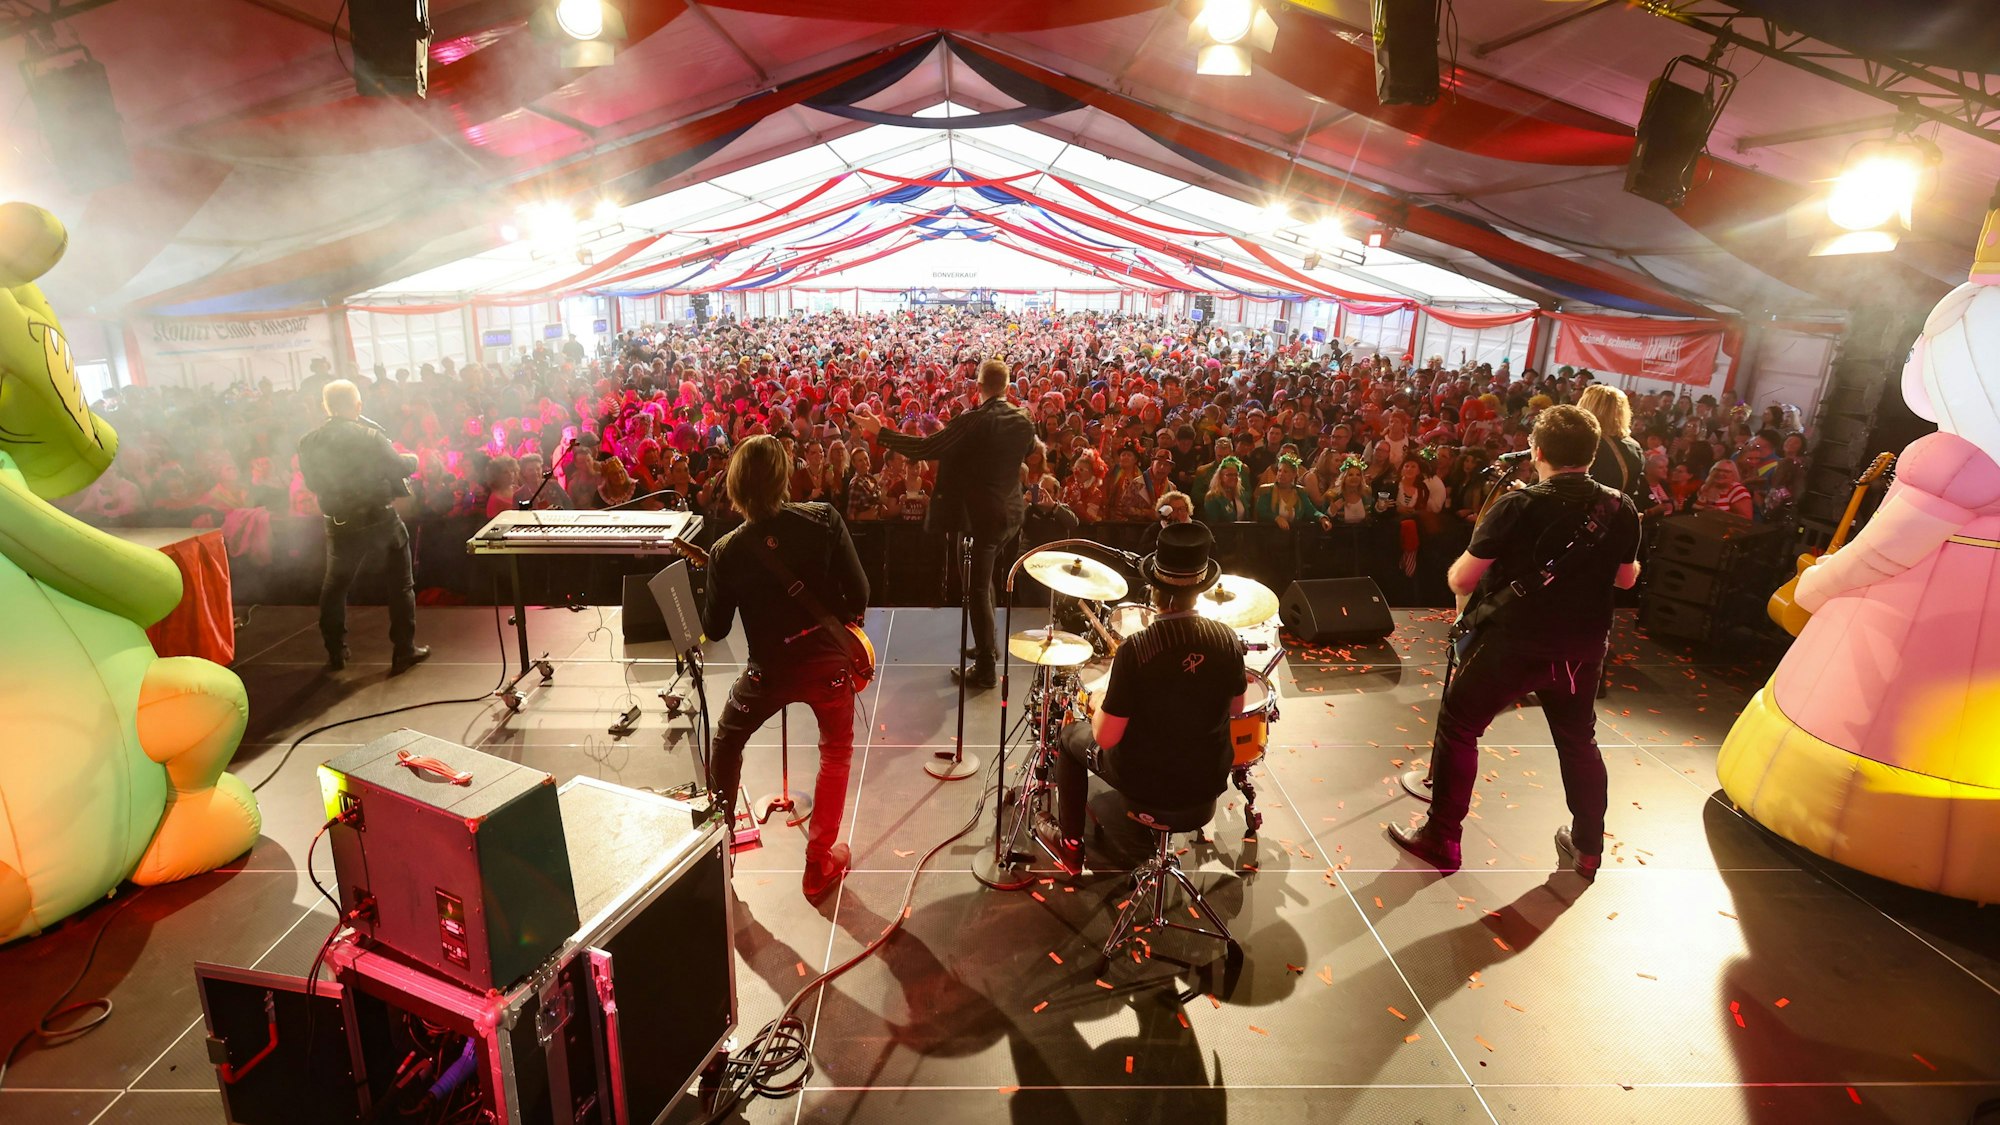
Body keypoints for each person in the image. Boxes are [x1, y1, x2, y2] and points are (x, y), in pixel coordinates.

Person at [1388, 405, 1640, 879]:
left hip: (1513, 646)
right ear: (1590, 455)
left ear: (1536, 451)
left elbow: (1463, 578)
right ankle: (1587, 848)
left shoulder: (1517, 505)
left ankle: (1442, 839)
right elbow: (1626, 580)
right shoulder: (1618, 506)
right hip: (1580, 651)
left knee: (1460, 726)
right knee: (1578, 741)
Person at [700, 435, 870, 901]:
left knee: (727, 740)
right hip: (828, 667)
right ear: (784, 478)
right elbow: (859, 593)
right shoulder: (823, 520)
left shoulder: (726, 551)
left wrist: (713, 582)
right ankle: (818, 865)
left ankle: (718, 859)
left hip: (768, 671)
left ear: (735, 484)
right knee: (835, 752)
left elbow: (714, 630)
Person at [1048, 523, 1247, 875]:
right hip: (1207, 781)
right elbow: (1236, 708)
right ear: (1201, 589)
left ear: (1153, 589)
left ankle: (1071, 849)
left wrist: (1097, 705)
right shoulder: (1226, 640)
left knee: (1069, 738)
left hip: (1148, 784)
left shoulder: (1137, 650)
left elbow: (1106, 738)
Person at [851, 357, 1035, 689]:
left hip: (983, 518)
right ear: (1007, 387)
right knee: (984, 582)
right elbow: (1026, 453)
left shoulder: (972, 421)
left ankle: (985, 669)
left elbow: (926, 447)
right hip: (1011, 514)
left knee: (976, 587)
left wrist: (881, 432)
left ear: (977, 387)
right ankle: (986, 646)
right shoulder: (1024, 419)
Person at [296, 379, 428, 675]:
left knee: (335, 587)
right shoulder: (370, 436)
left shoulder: (308, 442)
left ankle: (336, 652)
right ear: (357, 406)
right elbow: (400, 466)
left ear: (325, 407)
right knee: (400, 585)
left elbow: (312, 483)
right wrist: (415, 457)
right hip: (379, 520)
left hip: (340, 523)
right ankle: (404, 650)